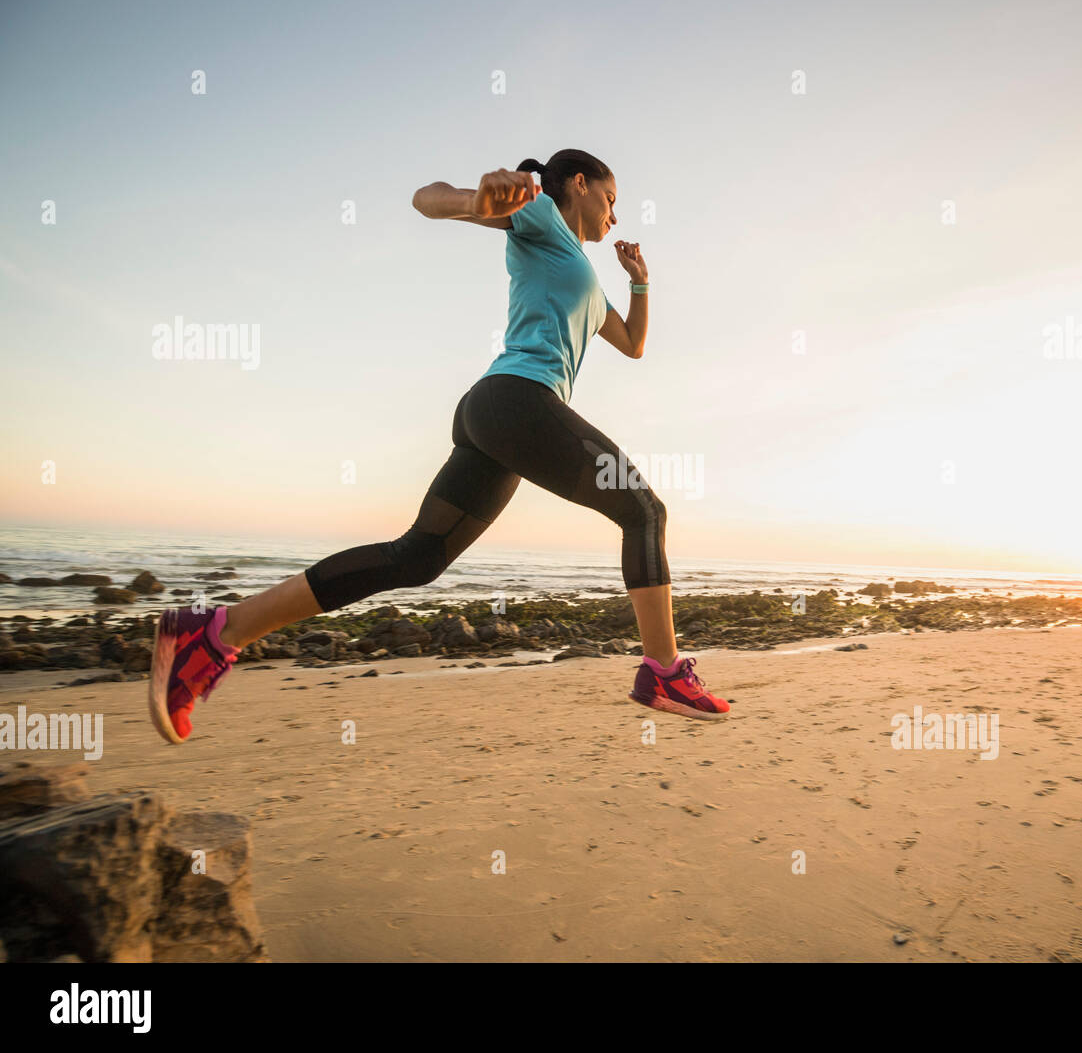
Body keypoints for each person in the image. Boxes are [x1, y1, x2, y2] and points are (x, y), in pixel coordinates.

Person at [148, 149, 729, 746]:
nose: (614, 216)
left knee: (416, 559)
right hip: (516, 400)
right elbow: (427, 199)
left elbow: (632, 344)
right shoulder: (542, 219)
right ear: (578, 185)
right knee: (643, 509)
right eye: (611, 200)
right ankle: (663, 672)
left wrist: (640, 281)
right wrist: (476, 201)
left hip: (497, 417)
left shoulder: (582, 271)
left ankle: (216, 632)